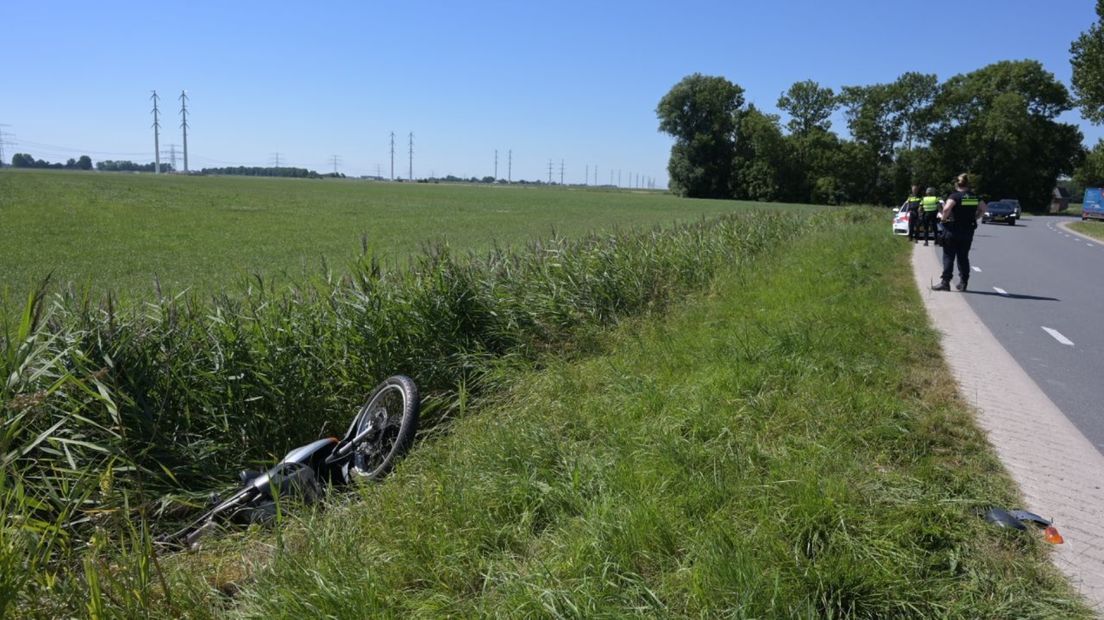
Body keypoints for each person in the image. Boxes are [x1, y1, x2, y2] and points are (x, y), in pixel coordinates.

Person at [933, 173, 985, 291]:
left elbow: (946, 209)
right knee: (963, 257)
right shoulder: (973, 197)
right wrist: (976, 217)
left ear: (957, 184)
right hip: (967, 231)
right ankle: (963, 282)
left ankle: (945, 282)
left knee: (948, 256)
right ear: (968, 184)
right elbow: (983, 209)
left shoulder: (955, 196)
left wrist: (943, 218)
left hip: (952, 230)